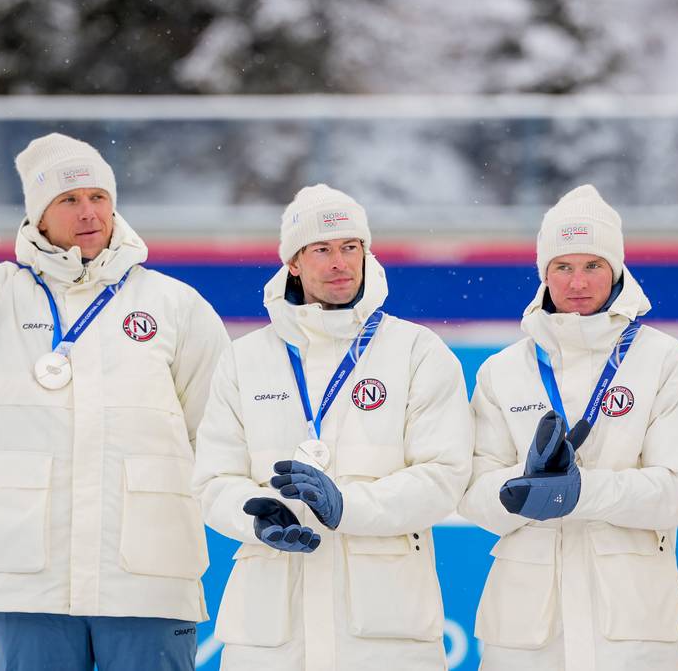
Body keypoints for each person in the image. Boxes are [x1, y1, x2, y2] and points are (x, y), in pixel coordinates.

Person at [0, 35, 231, 671]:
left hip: (148, 575)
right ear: (39, 213)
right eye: (68, 199)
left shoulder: (177, 306)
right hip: (26, 578)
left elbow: (225, 435)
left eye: (98, 197)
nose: (88, 211)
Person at [192, 184, 473, 670]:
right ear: (294, 263)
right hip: (270, 634)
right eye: (321, 249)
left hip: (387, 631)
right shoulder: (245, 359)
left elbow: (444, 477)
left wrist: (349, 506)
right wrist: (258, 518)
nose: (339, 261)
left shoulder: (417, 352)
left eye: (350, 247)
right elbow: (213, 481)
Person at [457, 185, 678, 671]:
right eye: (562, 267)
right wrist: (516, 492)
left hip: (632, 627)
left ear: (616, 270)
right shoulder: (502, 371)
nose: (577, 282)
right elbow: (470, 490)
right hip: (525, 632)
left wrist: (579, 492)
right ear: (543, 274)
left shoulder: (664, 361)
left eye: (593, 265)